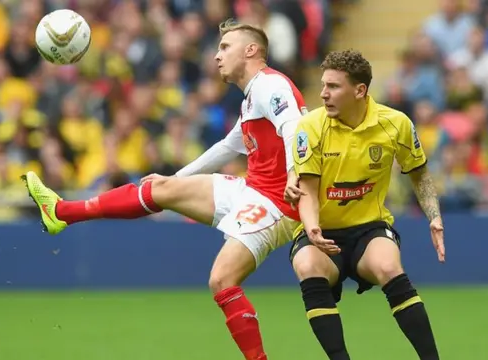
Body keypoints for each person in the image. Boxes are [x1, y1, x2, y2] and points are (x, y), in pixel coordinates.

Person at [22, 19, 306, 360]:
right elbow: (227, 148)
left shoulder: (270, 85)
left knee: (221, 280)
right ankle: (60, 212)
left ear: (251, 50)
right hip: (254, 189)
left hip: (278, 203)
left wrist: (294, 174)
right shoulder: (251, 99)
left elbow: (295, 127)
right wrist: (175, 178)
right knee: (161, 189)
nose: (216, 56)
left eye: (225, 47)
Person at [286, 50, 444, 360]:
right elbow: (306, 189)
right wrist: (312, 227)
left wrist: (434, 217)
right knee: (307, 266)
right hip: (321, 229)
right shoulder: (310, 126)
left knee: (388, 266)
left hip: (369, 229)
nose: (323, 94)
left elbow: (420, 175)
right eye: (323, 85)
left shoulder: (395, 124)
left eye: (333, 86)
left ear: (360, 91)